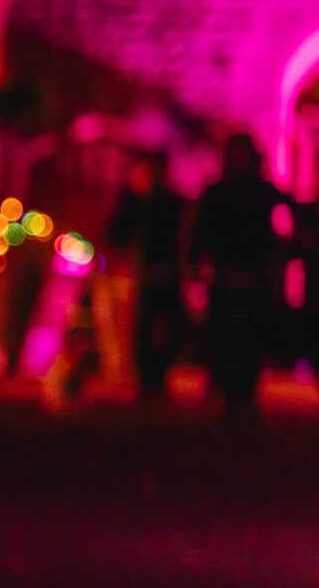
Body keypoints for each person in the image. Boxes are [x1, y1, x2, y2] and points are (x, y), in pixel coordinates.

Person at [191, 134, 291, 420]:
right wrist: (196, 264)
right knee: (226, 338)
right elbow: (201, 230)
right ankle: (231, 396)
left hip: (255, 279)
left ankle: (245, 395)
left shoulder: (260, 192)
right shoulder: (219, 193)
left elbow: (291, 210)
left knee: (251, 339)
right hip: (225, 279)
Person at [106, 152, 188, 401]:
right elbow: (117, 235)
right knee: (142, 328)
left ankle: (159, 374)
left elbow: (183, 235)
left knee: (170, 327)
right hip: (142, 274)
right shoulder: (133, 202)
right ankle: (147, 378)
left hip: (168, 273)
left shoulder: (172, 203)